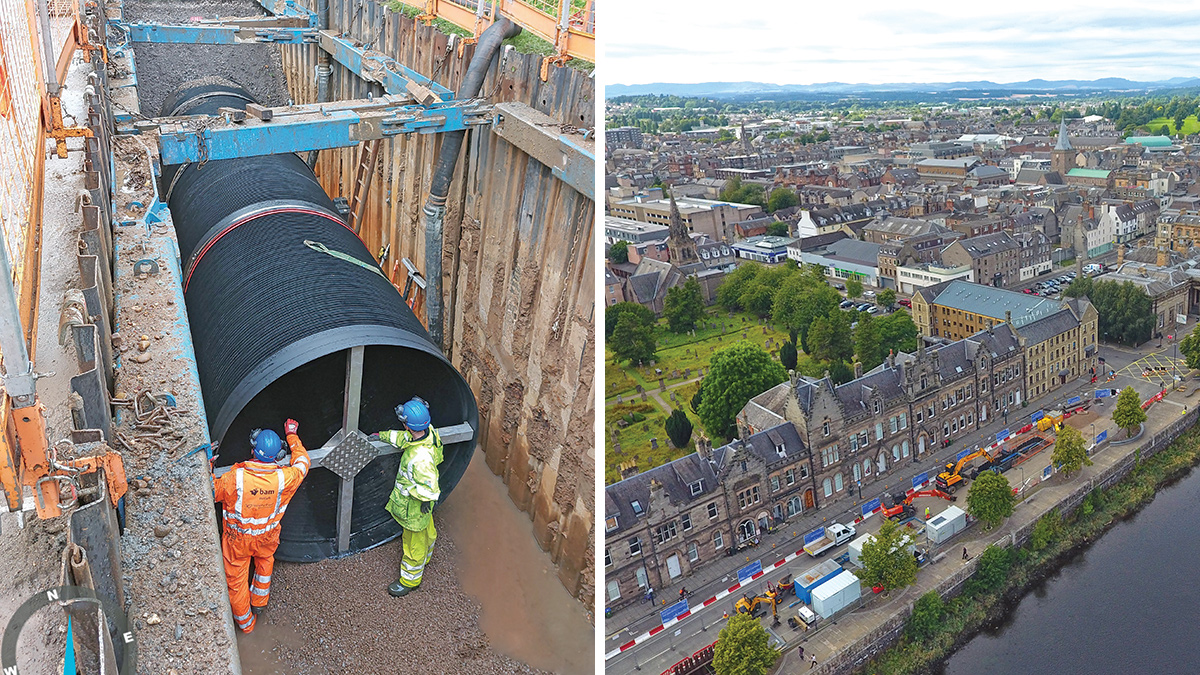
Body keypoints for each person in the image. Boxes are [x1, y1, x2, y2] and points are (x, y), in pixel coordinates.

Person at [213, 419, 310, 633]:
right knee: (265, 563)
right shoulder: (286, 478)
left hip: (237, 540)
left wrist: (208, 464)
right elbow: (303, 463)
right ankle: (259, 602)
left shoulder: (234, 478)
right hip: (267, 536)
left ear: (252, 450)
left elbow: (210, 490)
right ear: (278, 456)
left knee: (236, 581)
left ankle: (246, 625)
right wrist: (292, 435)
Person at [375, 397, 443, 597]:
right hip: (424, 507)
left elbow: (431, 488)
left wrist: (419, 498)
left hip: (414, 506)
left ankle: (410, 580)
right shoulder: (429, 434)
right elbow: (406, 439)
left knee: (413, 543)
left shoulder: (420, 459)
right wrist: (383, 436)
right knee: (428, 531)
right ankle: (427, 557)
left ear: (406, 425)